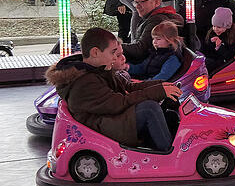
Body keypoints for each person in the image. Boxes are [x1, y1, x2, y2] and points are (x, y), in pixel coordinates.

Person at [45, 27, 181, 151]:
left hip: (108, 118)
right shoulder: (85, 82)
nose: (115, 58)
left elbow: (128, 86)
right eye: (113, 53)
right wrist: (157, 92)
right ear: (95, 52)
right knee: (149, 109)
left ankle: (157, 145)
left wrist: (162, 86)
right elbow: (118, 103)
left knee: (168, 115)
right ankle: (168, 154)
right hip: (100, 126)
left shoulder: (98, 70)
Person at [122, 0, 184, 64]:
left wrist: (116, 46)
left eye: (142, 2)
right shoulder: (152, 17)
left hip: (150, 69)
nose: (137, 6)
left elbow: (140, 50)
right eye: (136, 2)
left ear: (157, 2)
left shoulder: (157, 20)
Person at [202, 7, 235, 73]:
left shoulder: (231, 37)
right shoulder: (211, 33)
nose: (215, 29)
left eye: (219, 27)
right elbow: (206, 48)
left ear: (227, 26)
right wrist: (210, 42)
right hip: (211, 58)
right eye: (214, 26)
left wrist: (219, 46)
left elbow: (229, 56)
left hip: (222, 63)